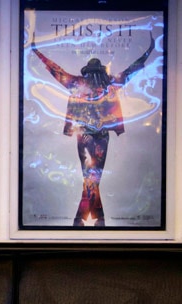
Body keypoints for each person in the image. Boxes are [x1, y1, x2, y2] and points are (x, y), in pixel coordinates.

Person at [31, 33, 155, 227]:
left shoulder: (77, 84)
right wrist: (147, 52)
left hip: (85, 136)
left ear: (87, 71)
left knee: (90, 176)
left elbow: (55, 70)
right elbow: (132, 69)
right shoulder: (110, 83)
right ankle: (97, 219)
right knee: (93, 176)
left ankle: (83, 220)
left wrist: (37, 52)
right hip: (101, 136)